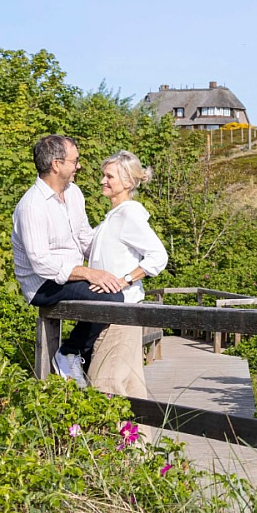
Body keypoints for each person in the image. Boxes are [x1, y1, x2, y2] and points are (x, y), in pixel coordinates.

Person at [12, 134, 128, 386]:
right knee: (111, 297)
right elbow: (40, 262)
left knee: (117, 288)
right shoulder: (32, 206)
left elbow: (85, 238)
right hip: (42, 284)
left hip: (67, 275)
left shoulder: (73, 193)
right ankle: (69, 353)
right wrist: (88, 273)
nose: (79, 166)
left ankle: (79, 366)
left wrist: (118, 254)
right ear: (56, 164)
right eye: (75, 161)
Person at [83, 150, 169, 399]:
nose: (102, 181)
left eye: (109, 176)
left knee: (104, 384)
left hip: (122, 312)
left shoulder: (129, 215)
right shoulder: (111, 218)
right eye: (103, 175)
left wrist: (125, 279)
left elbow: (158, 256)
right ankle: (141, 439)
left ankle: (110, 438)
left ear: (128, 182)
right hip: (109, 311)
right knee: (130, 386)